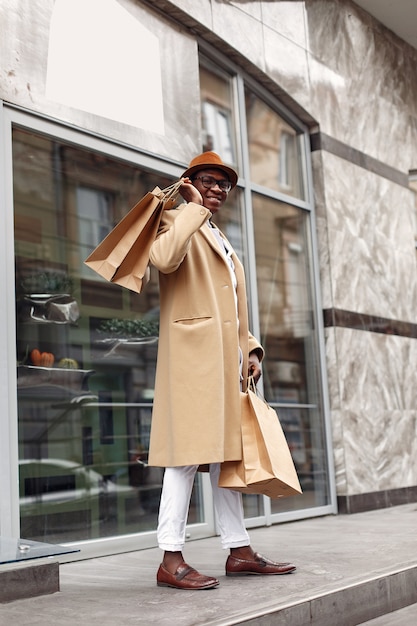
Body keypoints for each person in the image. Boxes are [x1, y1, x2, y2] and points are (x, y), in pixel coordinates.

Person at [148, 151, 296, 590]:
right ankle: (170, 557)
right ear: (190, 181)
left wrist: (251, 349)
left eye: (223, 184)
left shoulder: (219, 236)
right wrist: (190, 205)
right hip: (193, 361)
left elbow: (232, 305)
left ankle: (239, 550)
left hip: (226, 364)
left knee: (227, 458)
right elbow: (163, 260)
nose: (216, 189)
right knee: (186, 458)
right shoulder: (178, 219)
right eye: (208, 181)